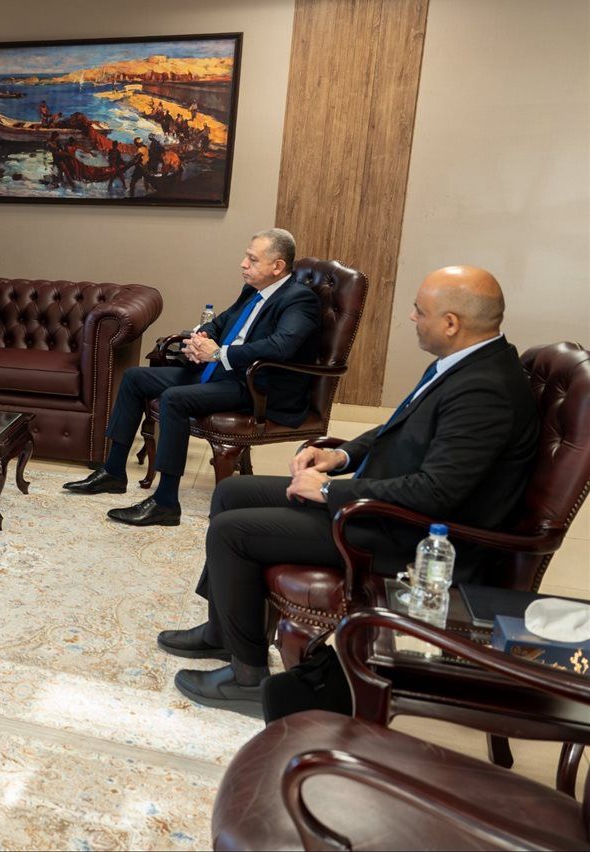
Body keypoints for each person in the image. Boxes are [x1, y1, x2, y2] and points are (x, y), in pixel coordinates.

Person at [160, 266, 538, 716]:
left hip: (413, 535)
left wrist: (329, 492)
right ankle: (223, 633)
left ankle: (246, 678)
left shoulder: (485, 390)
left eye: (419, 311)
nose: (412, 318)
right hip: (385, 508)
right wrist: (340, 457)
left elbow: (438, 492)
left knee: (232, 532)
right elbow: (399, 428)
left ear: (451, 323)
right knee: (232, 494)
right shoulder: (467, 363)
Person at [64, 229, 320, 527]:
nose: (243, 264)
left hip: (256, 386)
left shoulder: (299, 299)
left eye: (252, 259)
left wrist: (219, 353)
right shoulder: (253, 290)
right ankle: (113, 472)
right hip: (223, 373)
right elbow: (221, 323)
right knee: (135, 378)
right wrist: (201, 339)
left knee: (174, 399)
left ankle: (165, 503)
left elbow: (281, 346)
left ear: (277, 266)